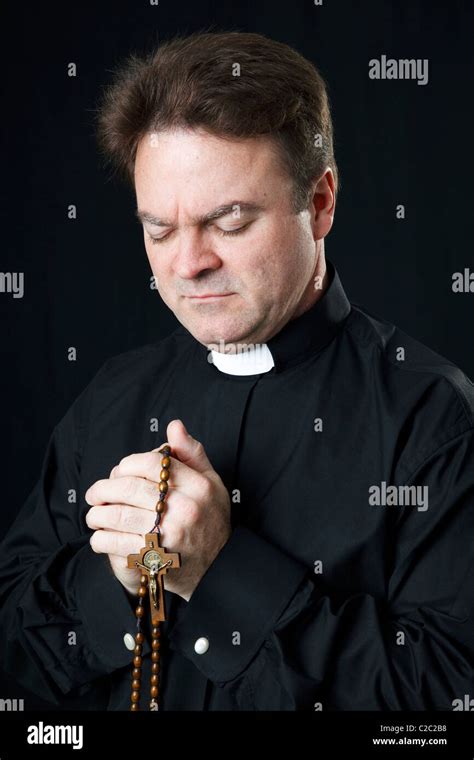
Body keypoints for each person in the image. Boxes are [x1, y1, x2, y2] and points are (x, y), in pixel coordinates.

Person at [0, 31, 472, 712]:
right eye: (159, 229)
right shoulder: (111, 396)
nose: (187, 264)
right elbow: (14, 641)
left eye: (228, 221)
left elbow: (445, 700)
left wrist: (222, 573)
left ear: (320, 204)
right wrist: (120, 581)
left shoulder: (433, 419)